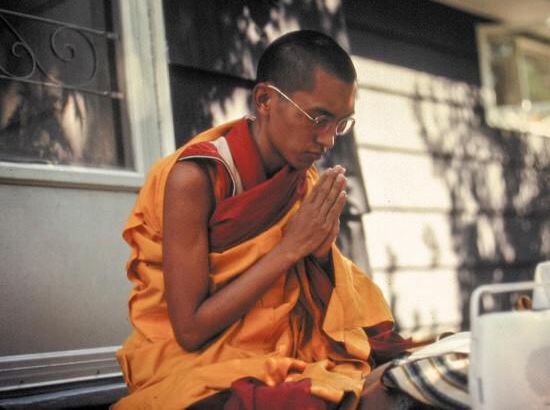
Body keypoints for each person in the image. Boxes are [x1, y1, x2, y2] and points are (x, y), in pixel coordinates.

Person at [115, 30, 415, 409]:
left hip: (279, 351)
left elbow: (311, 294)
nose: (328, 140)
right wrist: (291, 249)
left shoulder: (301, 177)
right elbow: (190, 331)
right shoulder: (195, 178)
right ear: (265, 100)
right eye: (318, 118)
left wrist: (320, 257)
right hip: (192, 363)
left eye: (341, 124)